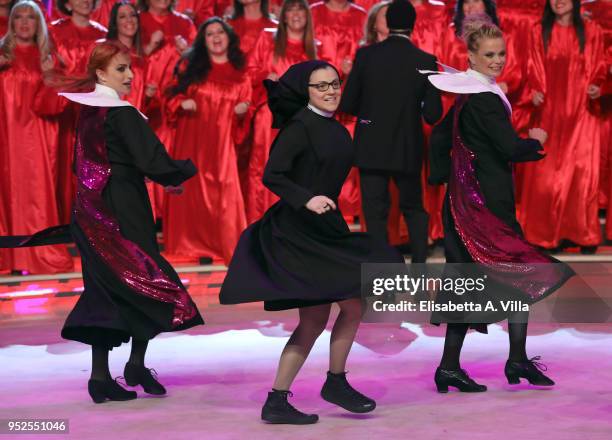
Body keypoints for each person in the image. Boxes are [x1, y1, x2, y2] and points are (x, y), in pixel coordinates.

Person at [219, 60, 403, 424]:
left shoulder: (336, 128)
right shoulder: (300, 127)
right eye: (321, 86)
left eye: (334, 83)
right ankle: (287, 396)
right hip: (298, 230)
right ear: (307, 91)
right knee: (321, 316)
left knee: (347, 306)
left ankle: (325, 384)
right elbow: (273, 174)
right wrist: (306, 198)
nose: (331, 90)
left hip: (325, 227)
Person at [426, 19, 573, 392]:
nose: (497, 60)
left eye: (501, 53)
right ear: (471, 56)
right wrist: (535, 140)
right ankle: (511, 361)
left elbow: (440, 138)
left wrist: (448, 180)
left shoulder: (470, 93)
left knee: (471, 282)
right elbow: (508, 148)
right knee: (515, 275)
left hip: (467, 205)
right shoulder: (485, 99)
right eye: (489, 54)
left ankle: (462, 366)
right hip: (484, 209)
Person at [56, 41, 204, 403]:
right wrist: (182, 172)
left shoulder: (89, 112)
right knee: (146, 281)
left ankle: (103, 376)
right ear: (101, 73)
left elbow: (91, 165)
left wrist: (153, 179)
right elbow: (152, 159)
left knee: (105, 290)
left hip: (91, 211)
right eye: (120, 69)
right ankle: (130, 366)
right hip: (122, 209)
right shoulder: (120, 113)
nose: (130, 75)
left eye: (130, 68)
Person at [340, 0, 442, 262]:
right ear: (412, 25)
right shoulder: (425, 60)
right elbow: (433, 114)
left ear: (388, 23)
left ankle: (382, 284)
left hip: (371, 146)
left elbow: (349, 104)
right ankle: (419, 275)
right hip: (407, 147)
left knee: (375, 214)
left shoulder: (365, 56)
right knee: (413, 210)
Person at [515, 0, 606, 252]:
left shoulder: (591, 31)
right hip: (549, 111)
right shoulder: (538, 31)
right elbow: (532, 67)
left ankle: (582, 234)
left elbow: (599, 65)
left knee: (580, 174)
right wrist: (534, 93)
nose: (558, 1)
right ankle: (545, 235)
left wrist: (597, 85)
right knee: (546, 175)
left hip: (581, 113)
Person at [164, 18, 251, 263]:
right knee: (192, 190)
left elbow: (247, 105)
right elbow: (169, 96)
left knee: (224, 189)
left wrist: (244, 111)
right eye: (209, 33)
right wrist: (180, 102)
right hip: (193, 137)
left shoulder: (241, 73)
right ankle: (194, 246)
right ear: (203, 41)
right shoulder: (189, 67)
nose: (215, 37)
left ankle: (225, 245)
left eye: (220, 32)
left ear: (229, 37)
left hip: (223, 142)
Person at [0, 0, 74, 274]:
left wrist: (48, 76)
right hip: (5, 139)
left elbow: (56, 107)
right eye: (18, 17)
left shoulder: (49, 58)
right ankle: (10, 257)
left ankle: (36, 253)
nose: (23, 22)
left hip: (38, 141)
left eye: (30, 17)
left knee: (35, 193)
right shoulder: (1, 54)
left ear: (38, 23)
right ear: (11, 22)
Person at [245, 0, 316, 223]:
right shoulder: (267, 38)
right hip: (270, 115)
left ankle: (297, 224)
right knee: (264, 166)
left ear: (307, 16)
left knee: (300, 169)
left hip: (303, 119)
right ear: (283, 16)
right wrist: (266, 76)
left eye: (300, 9)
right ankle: (262, 222)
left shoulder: (317, 47)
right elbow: (250, 71)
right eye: (291, 9)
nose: (295, 14)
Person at [50, 0, 108, 224]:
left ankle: (92, 220)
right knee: (64, 160)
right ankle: (66, 218)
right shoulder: (54, 30)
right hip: (64, 107)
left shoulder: (102, 33)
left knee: (92, 159)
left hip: (93, 108)